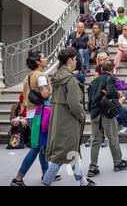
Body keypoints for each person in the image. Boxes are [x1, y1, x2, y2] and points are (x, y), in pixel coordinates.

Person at [42, 49, 95, 186]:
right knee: (62, 154)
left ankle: (82, 181)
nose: (76, 61)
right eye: (75, 59)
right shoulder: (70, 80)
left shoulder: (57, 77)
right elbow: (75, 104)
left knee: (71, 151)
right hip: (68, 121)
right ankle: (46, 182)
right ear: (70, 60)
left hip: (59, 119)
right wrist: (82, 114)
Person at [10, 52, 56, 186]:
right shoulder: (41, 76)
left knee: (42, 145)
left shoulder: (29, 76)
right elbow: (44, 93)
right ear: (38, 62)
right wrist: (50, 88)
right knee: (36, 147)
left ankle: (45, 174)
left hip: (31, 113)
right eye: (43, 57)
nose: (46, 59)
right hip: (40, 114)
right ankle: (18, 178)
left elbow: (24, 98)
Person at [87, 60, 127, 177]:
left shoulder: (94, 81)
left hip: (95, 113)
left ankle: (93, 166)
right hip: (106, 112)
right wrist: (118, 94)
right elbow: (111, 93)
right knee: (113, 138)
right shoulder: (110, 79)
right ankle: (118, 162)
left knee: (95, 140)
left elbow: (89, 96)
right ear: (112, 70)